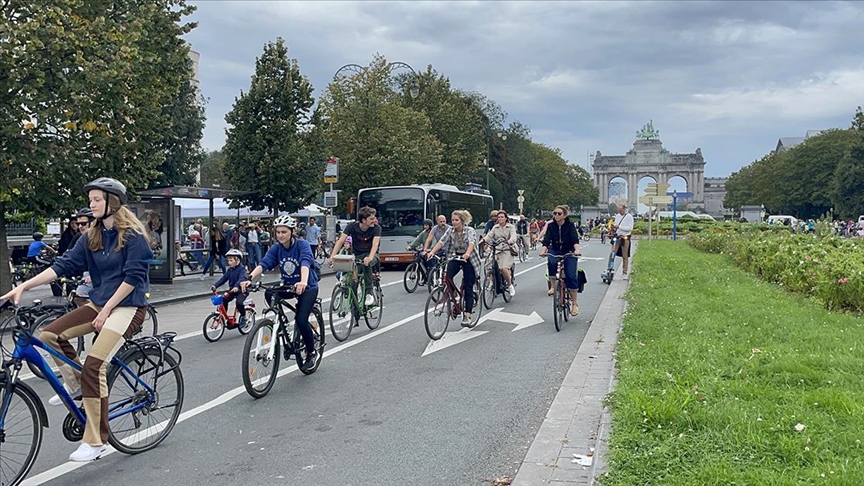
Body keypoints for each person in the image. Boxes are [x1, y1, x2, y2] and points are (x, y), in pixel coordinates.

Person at [1, 177, 152, 462]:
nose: (91, 204)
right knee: (49, 336)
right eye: (91, 199)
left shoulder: (133, 236)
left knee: (95, 366)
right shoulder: (92, 235)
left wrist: (106, 310)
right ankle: (78, 388)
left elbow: (133, 279)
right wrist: (23, 286)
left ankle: (96, 441)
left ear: (113, 202)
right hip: (100, 303)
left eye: (96, 200)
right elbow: (63, 264)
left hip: (128, 306)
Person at [241, 214, 318, 371]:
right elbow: (265, 263)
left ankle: (311, 352)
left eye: (284, 232)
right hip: (288, 285)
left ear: (292, 232)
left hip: (307, 287)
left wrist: (303, 281)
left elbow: (305, 262)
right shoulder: (276, 248)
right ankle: (281, 321)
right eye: (278, 232)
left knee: (301, 320)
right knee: (269, 293)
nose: (281, 235)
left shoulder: (302, 245)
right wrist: (250, 278)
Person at [426, 210, 481, 325]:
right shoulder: (450, 230)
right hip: (455, 256)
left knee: (468, 286)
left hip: (468, 258)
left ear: (462, 221)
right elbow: (441, 242)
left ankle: (467, 315)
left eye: (456, 220)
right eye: (452, 220)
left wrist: (467, 254)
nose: (454, 222)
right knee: (447, 277)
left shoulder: (469, 230)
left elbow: (471, 243)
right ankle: (453, 295)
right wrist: (432, 252)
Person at [328, 206, 381, 307]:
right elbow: (340, 241)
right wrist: (332, 256)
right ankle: (355, 314)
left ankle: (369, 293)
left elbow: (375, 244)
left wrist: (369, 257)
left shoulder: (376, 228)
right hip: (357, 255)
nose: (374, 220)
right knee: (353, 284)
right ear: (363, 220)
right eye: (371, 219)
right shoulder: (352, 227)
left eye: (374, 218)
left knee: (367, 264)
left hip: (372, 254)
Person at [538, 205, 581, 316]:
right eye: (555, 213)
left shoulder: (570, 226)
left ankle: (575, 304)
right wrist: (543, 250)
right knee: (551, 261)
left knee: (571, 275)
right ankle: (553, 286)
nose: (556, 215)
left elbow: (575, 240)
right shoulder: (551, 226)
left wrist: (576, 250)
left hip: (569, 250)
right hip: (556, 249)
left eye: (559, 213)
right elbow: (546, 241)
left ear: (564, 215)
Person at [210, 248, 249, 327]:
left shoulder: (242, 269)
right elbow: (224, 279)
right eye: (228, 260)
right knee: (224, 300)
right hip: (232, 290)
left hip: (241, 291)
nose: (229, 262)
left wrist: (236, 287)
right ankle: (224, 316)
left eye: (231, 260)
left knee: (239, 303)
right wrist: (215, 285)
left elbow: (242, 279)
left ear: (237, 260)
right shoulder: (230, 270)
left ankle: (244, 317)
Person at [482, 210, 517, 296]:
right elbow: (489, 235)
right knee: (489, 265)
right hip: (497, 249)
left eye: (502, 217)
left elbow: (514, 237)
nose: (500, 219)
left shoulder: (511, 227)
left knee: (503, 268)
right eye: (499, 217)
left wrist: (510, 241)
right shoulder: (495, 227)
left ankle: (509, 285)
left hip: (507, 249)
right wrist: (483, 241)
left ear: (506, 218)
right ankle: (491, 282)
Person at [611, 202, 634, 279]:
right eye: (619, 210)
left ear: (624, 209)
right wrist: (614, 227)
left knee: (625, 255)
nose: (619, 212)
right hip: (617, 237)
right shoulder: (617, 216)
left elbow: (630, 228)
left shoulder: (629, 217)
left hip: (625, 237)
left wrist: (619, 227)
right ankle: (609, 269)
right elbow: (615, 225)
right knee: (612, 253)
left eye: (621, 210)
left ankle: (625, 272)